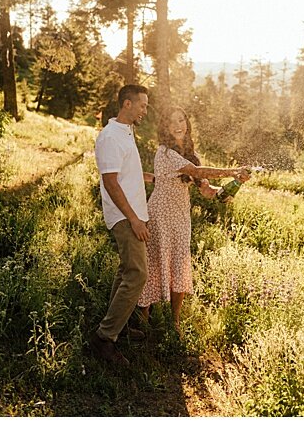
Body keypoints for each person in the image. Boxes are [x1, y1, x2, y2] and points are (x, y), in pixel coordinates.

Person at [137, 106, 248, 332]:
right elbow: (198, 172)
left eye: (181, 120)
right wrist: (232, 171)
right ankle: (143, 320)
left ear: (186, 124)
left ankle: (174, 321)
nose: (178, 125)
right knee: (155, 262)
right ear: (165, 128)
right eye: (172, 122)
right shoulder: (165, 153)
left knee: (179, 264)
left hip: (181, 217)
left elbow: (207, 190)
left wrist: (231, 188)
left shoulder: (190, 156)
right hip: (159, 214)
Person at [88, 84, 153, 366]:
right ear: (127, 104)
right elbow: (111, 183)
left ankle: (119, 323)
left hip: (134, 213)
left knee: (125, 271)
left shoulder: (126, 132)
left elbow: (125, 174)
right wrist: (134, 219)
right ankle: (104, 339)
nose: (145, 110)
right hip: (125, 217)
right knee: (137, 274)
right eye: (142, 105)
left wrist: (150, 177)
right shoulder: (110, 136)